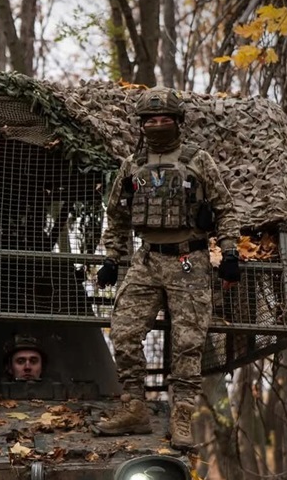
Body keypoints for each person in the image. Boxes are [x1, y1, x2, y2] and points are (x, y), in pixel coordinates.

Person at [94, 86, 239, 450]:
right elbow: (116, 216)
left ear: (178, 122)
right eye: (151, 119)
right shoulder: (132, 166)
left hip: (189, 261)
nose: (158, 125)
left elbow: (225, 208)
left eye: (165, 119)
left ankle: (182, 417)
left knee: (188, 344)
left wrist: (230, 252)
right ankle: (134, 408)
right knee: (124, 333)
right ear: (141, 124)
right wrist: (113, 257)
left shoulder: (198, 160)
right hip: (147, 260)